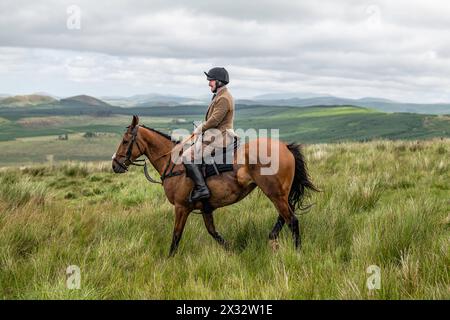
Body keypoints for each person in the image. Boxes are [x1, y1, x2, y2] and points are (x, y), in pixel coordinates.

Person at [181, 67, 237, 202]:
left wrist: (200, 128)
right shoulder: (219, 95)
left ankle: (202, 189)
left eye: (211, 80)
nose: (209, 83)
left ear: (219, 81)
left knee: (187, 156)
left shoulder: (223, 98)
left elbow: (215, 120)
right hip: (215, 134)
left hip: (221, 136)